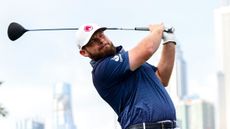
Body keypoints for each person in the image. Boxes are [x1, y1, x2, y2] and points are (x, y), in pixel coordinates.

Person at [76, 23, 177, 129]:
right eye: (92, 41)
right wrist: (157, 30)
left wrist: (169, 41)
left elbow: (162, 78)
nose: (101, 40)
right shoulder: (102, 70)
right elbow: (148, 48)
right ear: (84, 52)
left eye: (101, 35)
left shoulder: (129, 62)